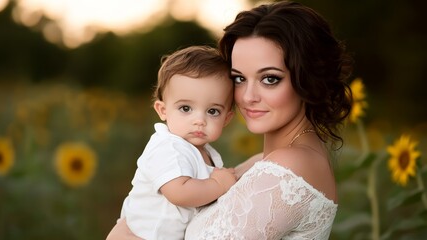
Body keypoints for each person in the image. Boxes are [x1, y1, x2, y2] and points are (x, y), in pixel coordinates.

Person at [107, 1, 353, 239]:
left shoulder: (290, 167)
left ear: (307, 79)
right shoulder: (270, 162)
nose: (247, 97)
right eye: (238, 78)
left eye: (270, 79)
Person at [118, 45, 237, 240]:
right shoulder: (169, 147)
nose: (199, 119)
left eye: (212, 111)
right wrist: (218, 184)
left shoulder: (207, 153)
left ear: (227, 118)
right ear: (163, 110)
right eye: (185, 108)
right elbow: (179, 192)